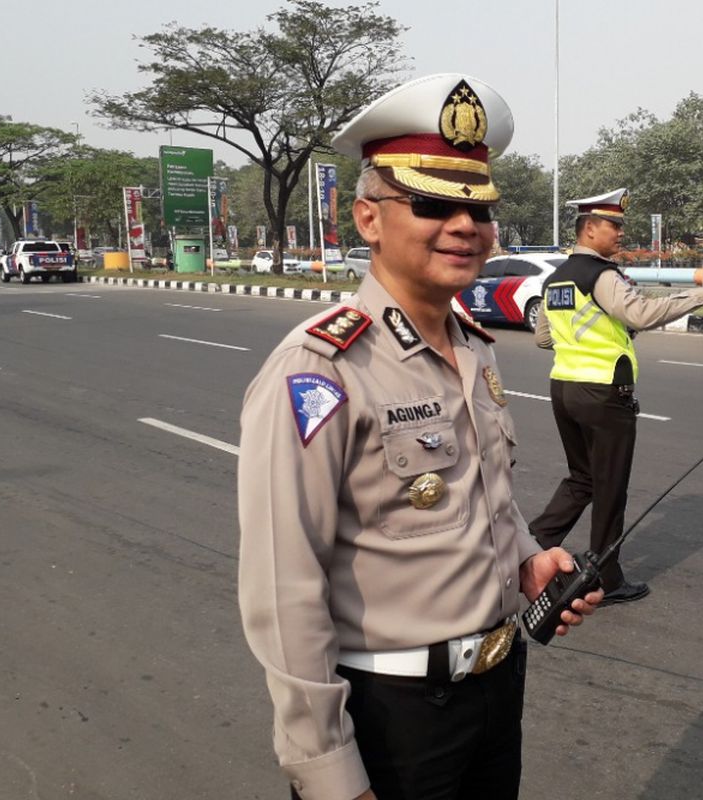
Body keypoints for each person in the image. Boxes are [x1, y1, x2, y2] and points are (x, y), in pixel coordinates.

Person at [237, 74, 603, 800]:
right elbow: (284, 588)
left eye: (480, 207)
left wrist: (529, 561)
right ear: (368, 219)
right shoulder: (321, 368)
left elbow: (479, 500)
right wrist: (329, 774)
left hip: (497, 692)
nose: (466, 225)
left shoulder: (474, 348)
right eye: (433, 204)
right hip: (393, 720)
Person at [531, 189, 703, 605]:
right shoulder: (602, 275)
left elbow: (544, 337)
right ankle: (604, 579)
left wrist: (583, 341)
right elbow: (641, 314)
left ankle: (528, 544)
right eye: (614, 226)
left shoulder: (556, 279)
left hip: (564, 388)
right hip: (604, 393)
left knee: (582, 479)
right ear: (589, 229)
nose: (620, 233)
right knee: (609, 487)